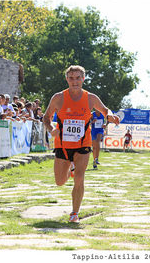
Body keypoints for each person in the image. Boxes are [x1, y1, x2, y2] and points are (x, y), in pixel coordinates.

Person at [43, 65, 120, 223]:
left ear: (83, 79)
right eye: (71, 78)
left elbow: (106, 110)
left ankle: (74, 214)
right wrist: (51, 129)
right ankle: (70, 168)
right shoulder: (59, 97)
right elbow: (46, 117)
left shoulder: (90, 98)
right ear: (67, 79)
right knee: (60, 182)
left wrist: (111, 116)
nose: (75, 81)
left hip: (83, 143)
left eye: (78, 78)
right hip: (63, 145)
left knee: (79, 178)